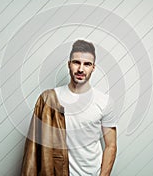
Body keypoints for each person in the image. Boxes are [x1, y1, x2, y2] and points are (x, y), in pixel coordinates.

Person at [21, 40, 119, 176]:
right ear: (69, 64)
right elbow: (33, 149)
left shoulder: (105, 102)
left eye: (87, 64)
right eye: (76, 62)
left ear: (93, 67)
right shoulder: (49, 99)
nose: (81, 69)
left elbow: (111, 146)